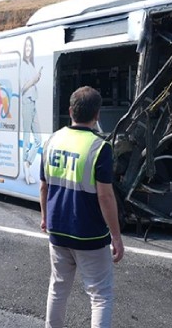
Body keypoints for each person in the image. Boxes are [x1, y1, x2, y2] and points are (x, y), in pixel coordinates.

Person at [39, 86, 124, 328]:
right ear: (97, 114)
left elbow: (44, 187)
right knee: (100, 296)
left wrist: (45, 217)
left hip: (58, 231)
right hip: (90, 235)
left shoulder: (52, 141)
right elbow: (106, 196)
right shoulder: (100, 147)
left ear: (70, 111)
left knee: (58, 288)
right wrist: (116, 237)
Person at [21, 36, 42, 185]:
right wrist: (34, 80)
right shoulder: (22, 65)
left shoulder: (31, 64)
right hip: (26, 103)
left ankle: (27, 163)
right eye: (26, 46)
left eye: (30, 46)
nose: (28, 49)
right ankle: (26, 171)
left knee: (38, 140)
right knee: (27, 139)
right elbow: (22, 88)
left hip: (33, 103)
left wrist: (37, 78)